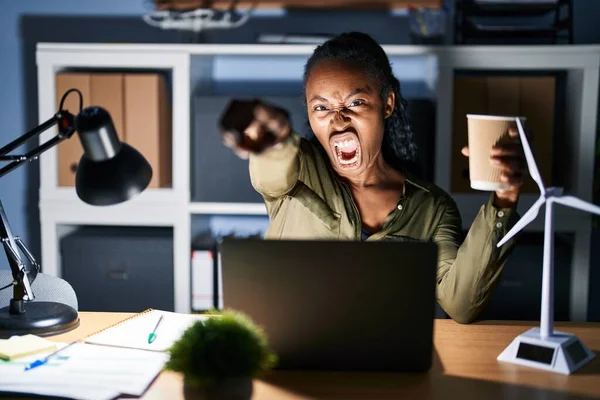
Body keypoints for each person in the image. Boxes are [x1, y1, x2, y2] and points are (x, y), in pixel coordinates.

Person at [220, 32, 525, 324]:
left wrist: (505, 198)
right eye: (321, 107)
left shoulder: (432, 207)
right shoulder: (299, 165)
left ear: (387, 104)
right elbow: (270, 175)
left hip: (385, 368)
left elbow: (461, 304)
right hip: (287, 359)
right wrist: (271, 139)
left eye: (355, 103)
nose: (337, 119)